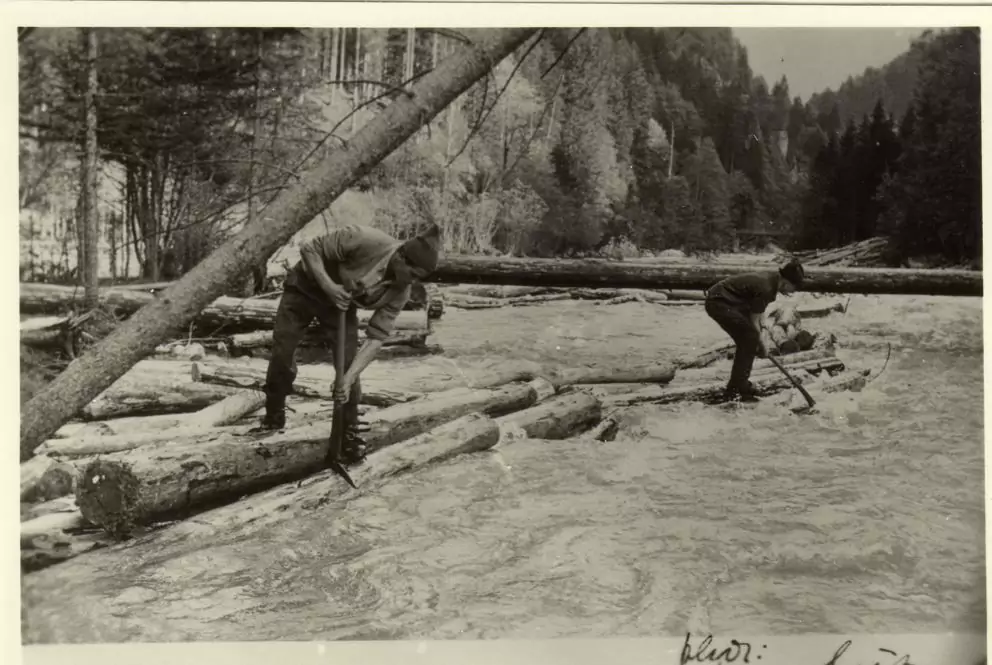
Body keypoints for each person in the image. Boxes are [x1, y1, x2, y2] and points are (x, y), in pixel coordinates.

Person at [255, 223, 442, 465]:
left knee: (348, 366)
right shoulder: (364, 239)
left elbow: (376, 337)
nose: (413, 282)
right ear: (401, 258)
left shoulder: (401, 291)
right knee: (282, 353)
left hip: (340, 308)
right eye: (414, 275)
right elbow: (310, 249)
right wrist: (330, 287)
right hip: (304, 289)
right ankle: (274, 416)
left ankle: (348, 435)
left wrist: (349, 377)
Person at [704, 258, 806, 403]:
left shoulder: (771, 281)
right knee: (750, 338)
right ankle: (737, 388)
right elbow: (753, 322)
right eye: (793, 287)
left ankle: (739, 385)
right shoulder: (767, 288)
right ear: (786, 282)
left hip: (730, 302)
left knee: (748, 341)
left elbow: (758, 311)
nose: (793, 291)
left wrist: (763, 329)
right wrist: (763, 346)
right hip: (719, 302)